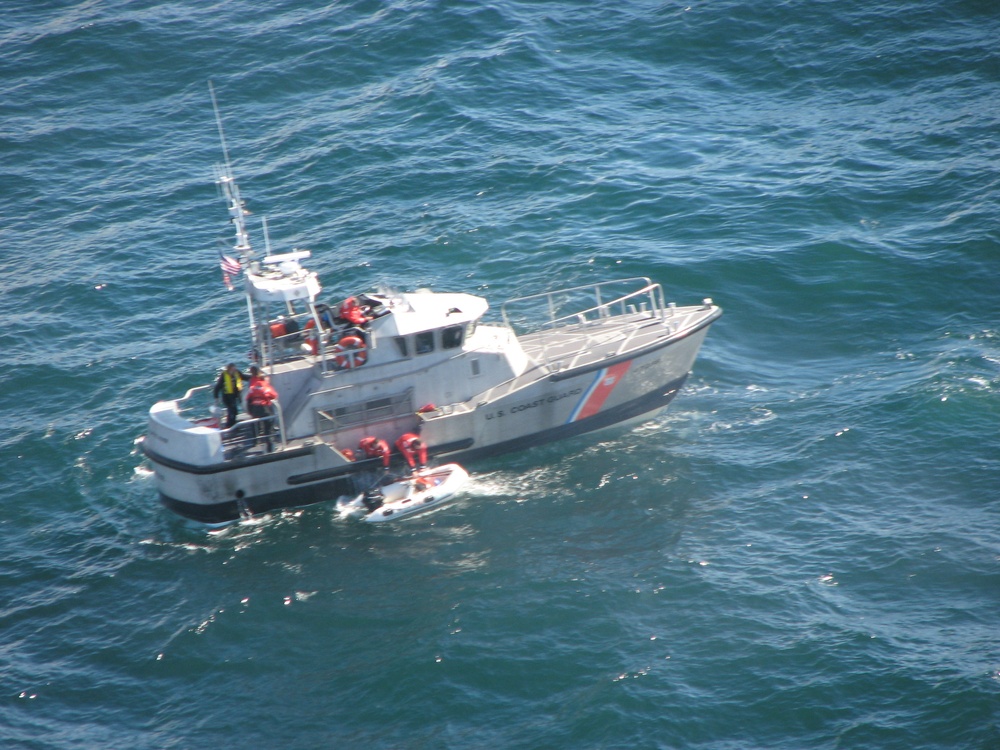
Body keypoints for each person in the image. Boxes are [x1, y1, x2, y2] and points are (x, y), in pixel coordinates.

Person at [245, 365, 278, 451]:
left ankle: (255, 441)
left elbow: (248, 398)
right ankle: (270, 448)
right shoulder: (265, 387)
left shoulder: (252, 387)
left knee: (254, 424)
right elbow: (274, 395)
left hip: (255, 410)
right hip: (264, 410)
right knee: (268, 428)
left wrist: (250, 411)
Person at [213, 363, 248, 429]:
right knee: (231, 411)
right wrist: (216, 396)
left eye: (235, 368)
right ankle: (229, 425)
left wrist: (254, 377)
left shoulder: (237, 373)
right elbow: (218, 386)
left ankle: (233, 423)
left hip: (235, 395)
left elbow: (244, 377)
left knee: (235, 411)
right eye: (233, 369)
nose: (234, 370)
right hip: (227, 397)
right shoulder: (224, 375)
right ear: (229, 369)